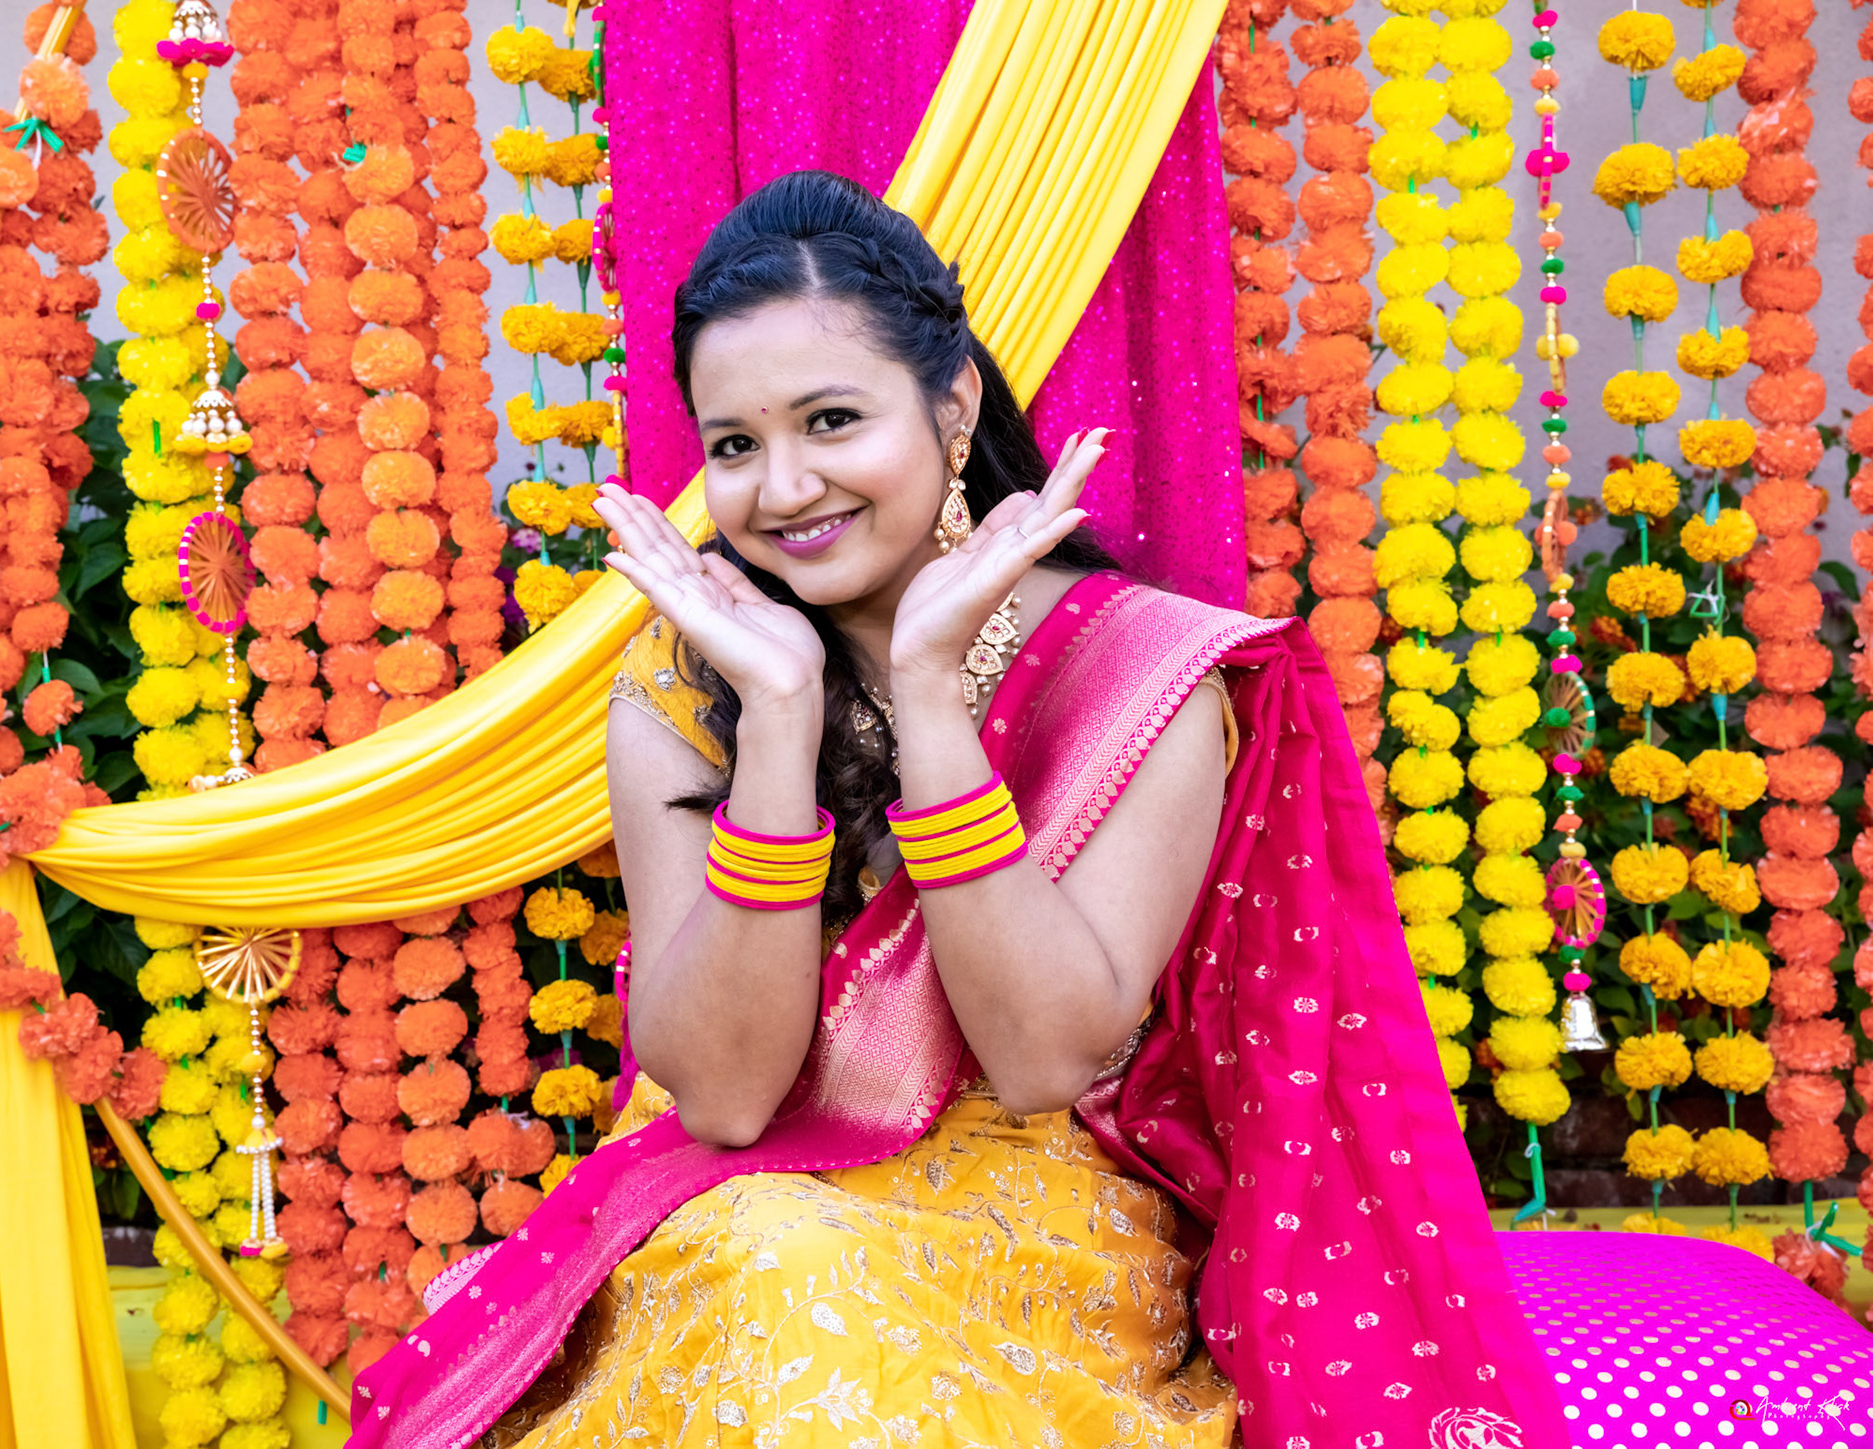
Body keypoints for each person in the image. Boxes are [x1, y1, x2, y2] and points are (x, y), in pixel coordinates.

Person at [347, 170, 1569, 1449]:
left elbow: (1046, 1060)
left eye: (831, 420)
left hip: (1046, 1215)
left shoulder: (1144, 671)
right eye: (734, 446)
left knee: (792, 1286)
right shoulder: (691, 678)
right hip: (732, 1201)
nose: (783, 488)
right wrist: (779, 721)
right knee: (764, 1261)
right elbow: (721, 1097)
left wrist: (931, 709)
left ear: (953, 402)